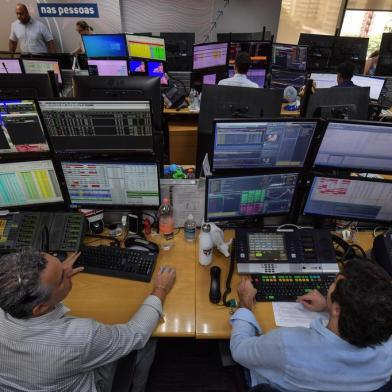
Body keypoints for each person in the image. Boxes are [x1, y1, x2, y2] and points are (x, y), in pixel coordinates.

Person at [0, 250, 176, 392]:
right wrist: (160, 288)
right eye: (62, 277)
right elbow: (135, 333)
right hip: (92, 383)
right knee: (150, 337)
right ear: (40, 308)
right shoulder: (79, 337)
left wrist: (57, 275)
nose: (68, 271)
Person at [230, 259, 392, 391]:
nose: (329, 286)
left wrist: (245, 303)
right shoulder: (388, 350)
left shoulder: (286, 344)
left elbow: (239, 350)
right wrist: (328, 306)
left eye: (334, 283)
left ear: (337, 309)